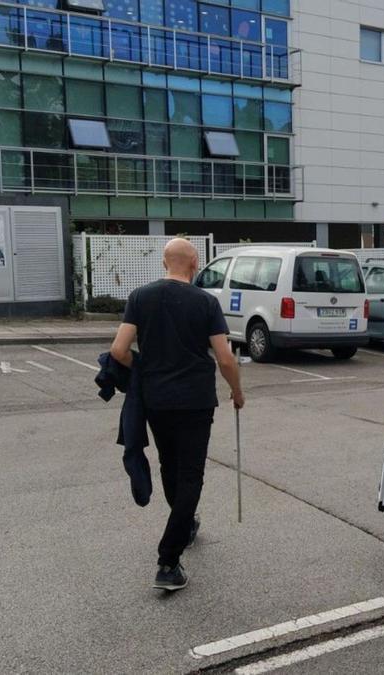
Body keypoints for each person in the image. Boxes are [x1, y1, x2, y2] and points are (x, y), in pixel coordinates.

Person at [109, 238, 245, 592]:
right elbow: (225, 358)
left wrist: (144, 367)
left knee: (170, 466)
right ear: (195, 263)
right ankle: (168, 561)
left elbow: (119, 350)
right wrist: (238, 391)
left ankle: (183, 523)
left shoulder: (140, 297)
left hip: (157, 400)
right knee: (191, 476)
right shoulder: (205, 302)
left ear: (164, 263)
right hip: (196, 401)